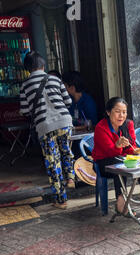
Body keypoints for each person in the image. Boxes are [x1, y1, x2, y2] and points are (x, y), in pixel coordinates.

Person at [92, 97, 140, 216]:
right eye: (117, 111)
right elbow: (110, 153)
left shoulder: (128, 124)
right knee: (120, 166)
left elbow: (130, 149)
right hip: (103, 163)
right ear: (108, 112)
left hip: (121, 158)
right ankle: (121, 204)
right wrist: (117, 145)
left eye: (124, 112)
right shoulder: (101, 128)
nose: (121, 115)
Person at [19, 51, 75, 210]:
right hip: (65, 122)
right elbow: (68, 101)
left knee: (53, 162)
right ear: (43, 66)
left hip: (45, 126)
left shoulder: (25, 85)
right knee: (66, 150)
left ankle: (61, 200)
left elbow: (24, 111)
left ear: (27, 69)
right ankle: (70, 177)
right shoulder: (55, 79)